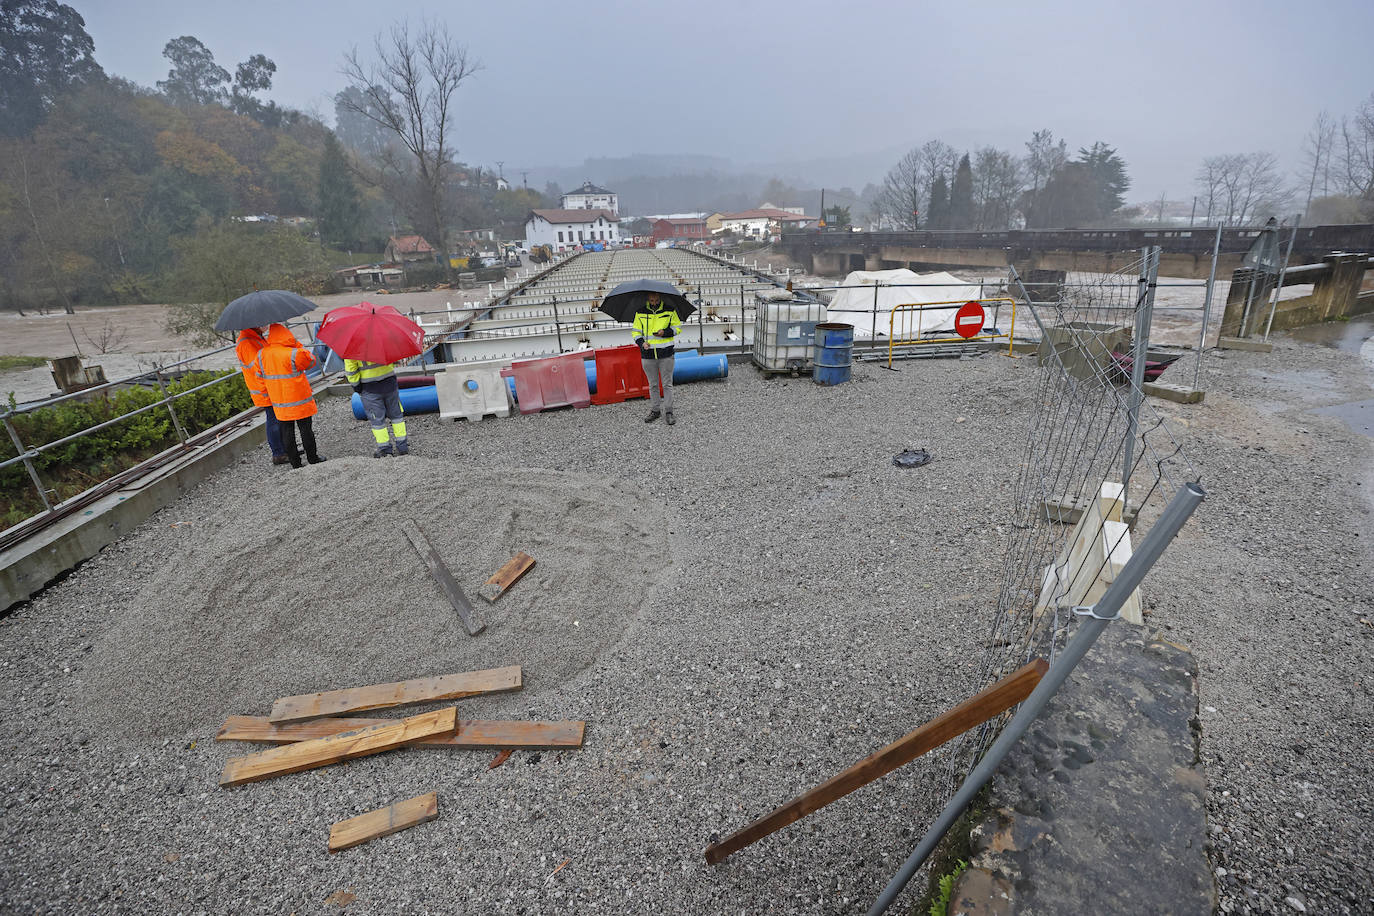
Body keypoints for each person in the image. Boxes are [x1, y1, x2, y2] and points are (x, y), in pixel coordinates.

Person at [258, 323, 325, 468]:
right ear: (286, 336)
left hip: (279, 402)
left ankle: (296, 464)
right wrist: (297, 345)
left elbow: (260, 376)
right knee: (306, 430)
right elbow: (311, 361)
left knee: (287, 432)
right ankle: (313, 458)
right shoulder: (294, 352)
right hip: (299, 400)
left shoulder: (262, 354)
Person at [235, 326, 289, 466]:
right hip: (263, 388)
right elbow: (258, 365)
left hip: (268, 385)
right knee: (273, 419)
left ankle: (284, 449)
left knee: (278, 418)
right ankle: (278, 453)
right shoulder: (246, 342)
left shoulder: (255, 337)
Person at [633, 291, 682, 425]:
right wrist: (642, 343)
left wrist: (665, 332)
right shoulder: (640, 313)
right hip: (648, 355)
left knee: (667, 384)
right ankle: (655, 410)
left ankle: (669, 411)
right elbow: (636, 332)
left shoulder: (670, 311)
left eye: (656, 300)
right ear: (648, 299)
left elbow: (677, 328)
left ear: (659, 297)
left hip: (666, 354)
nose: (654, 302)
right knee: (653, 385)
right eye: (651, 300)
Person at [345, 357, 408, 457]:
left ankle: (385, 449)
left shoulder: (352, 348)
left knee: (377, 420)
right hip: (390, 383)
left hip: (370, 389)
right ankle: (402, 446)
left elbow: (351, 370)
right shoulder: (385, 341)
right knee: (396, 416)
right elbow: (394, 358)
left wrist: (357, 387)